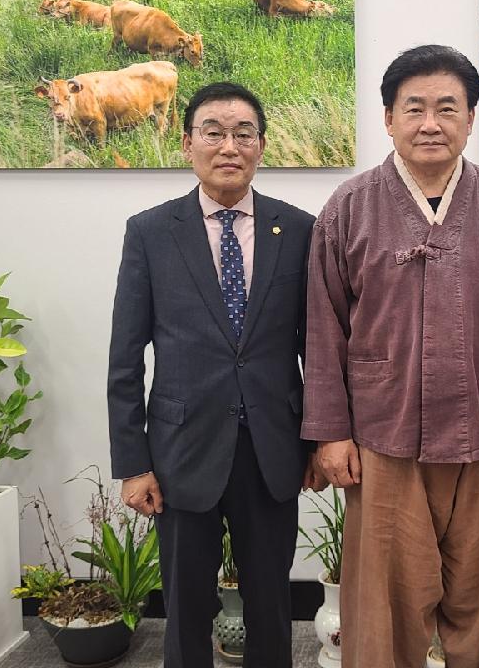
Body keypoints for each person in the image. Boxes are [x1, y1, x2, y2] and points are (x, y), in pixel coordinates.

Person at [303, 44, 479, 668]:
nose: (430, 123)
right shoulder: (347, 208)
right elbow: (323, 330)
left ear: (470, 119)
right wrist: (331, 434)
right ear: (389, 119)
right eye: (414, 108)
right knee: (385, 605)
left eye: (447, 108)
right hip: (382, 436)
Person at [107, 81, 324, 668]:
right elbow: (125, 357)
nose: (229, 146)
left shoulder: (300, 229)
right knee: (184, 608)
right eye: (214, 132)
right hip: (180, 451)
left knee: (271, 606)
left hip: (273, 449)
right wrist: (133, 464)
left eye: (243, 133)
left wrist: (321, 440)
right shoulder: (150, 232)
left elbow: (318, 348)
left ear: (260, 146)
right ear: (187, 144)